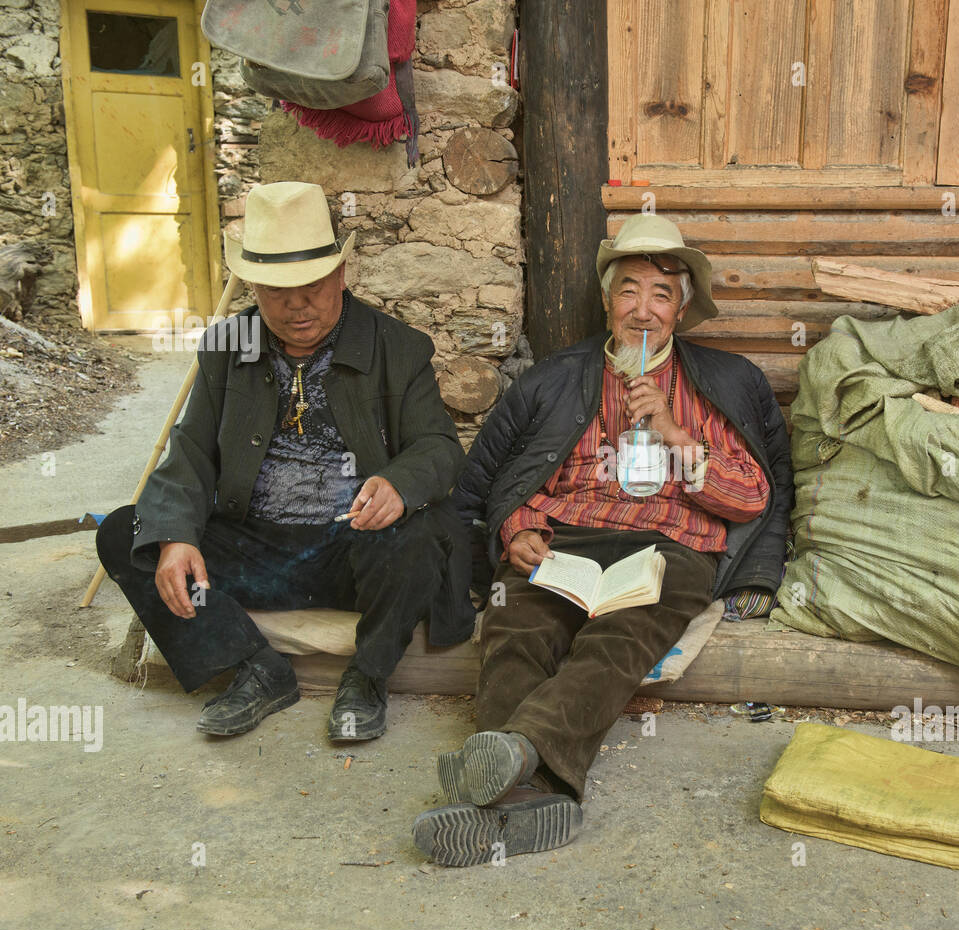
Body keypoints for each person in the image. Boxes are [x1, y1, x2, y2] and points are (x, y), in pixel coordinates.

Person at [412, 214, 793, 866]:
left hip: (669, 545)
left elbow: (755, 495)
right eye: (629, 291)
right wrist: (520, 526)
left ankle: (516, 758)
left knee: (618, 636)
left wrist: (676, 435)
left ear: (681, 310)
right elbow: (515, 477)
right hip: (569, 537)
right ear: (608, 299)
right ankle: (532, 792)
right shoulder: (558, 379)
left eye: (661, 295)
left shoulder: (725, 383)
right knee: (517, 627)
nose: (643, 311)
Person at [96, 181, 473, 741]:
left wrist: (397, 483)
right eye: (276, 291)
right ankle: (256, 668)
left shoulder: (396, 347)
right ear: (253, 285)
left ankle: (366, 678)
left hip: (355, 553)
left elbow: (440, 448)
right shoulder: (230, 345)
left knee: (417, 538)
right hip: (255, 550)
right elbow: (191, 452)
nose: (297, 306)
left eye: (313, 287)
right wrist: (175, 534)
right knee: (126, 532)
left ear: (341, 276)